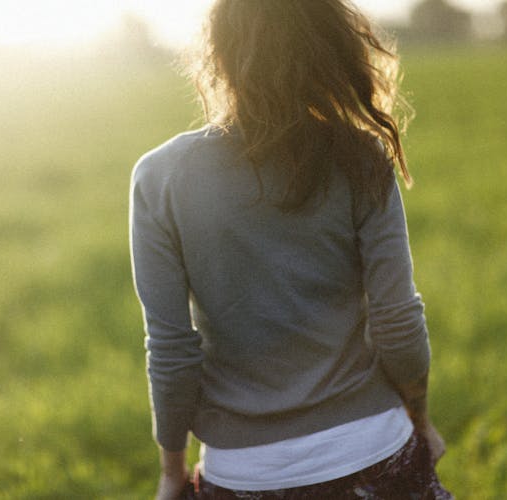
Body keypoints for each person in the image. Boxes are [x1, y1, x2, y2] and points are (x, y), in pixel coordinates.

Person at [129, 1, 452, 498]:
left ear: (218, 53)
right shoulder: (360, 155)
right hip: (373, 453)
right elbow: (397, 319)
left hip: (243, 474)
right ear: (325, 46)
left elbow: (172, 354)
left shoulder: (159, 177)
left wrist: (173, 473)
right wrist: (420, 418)